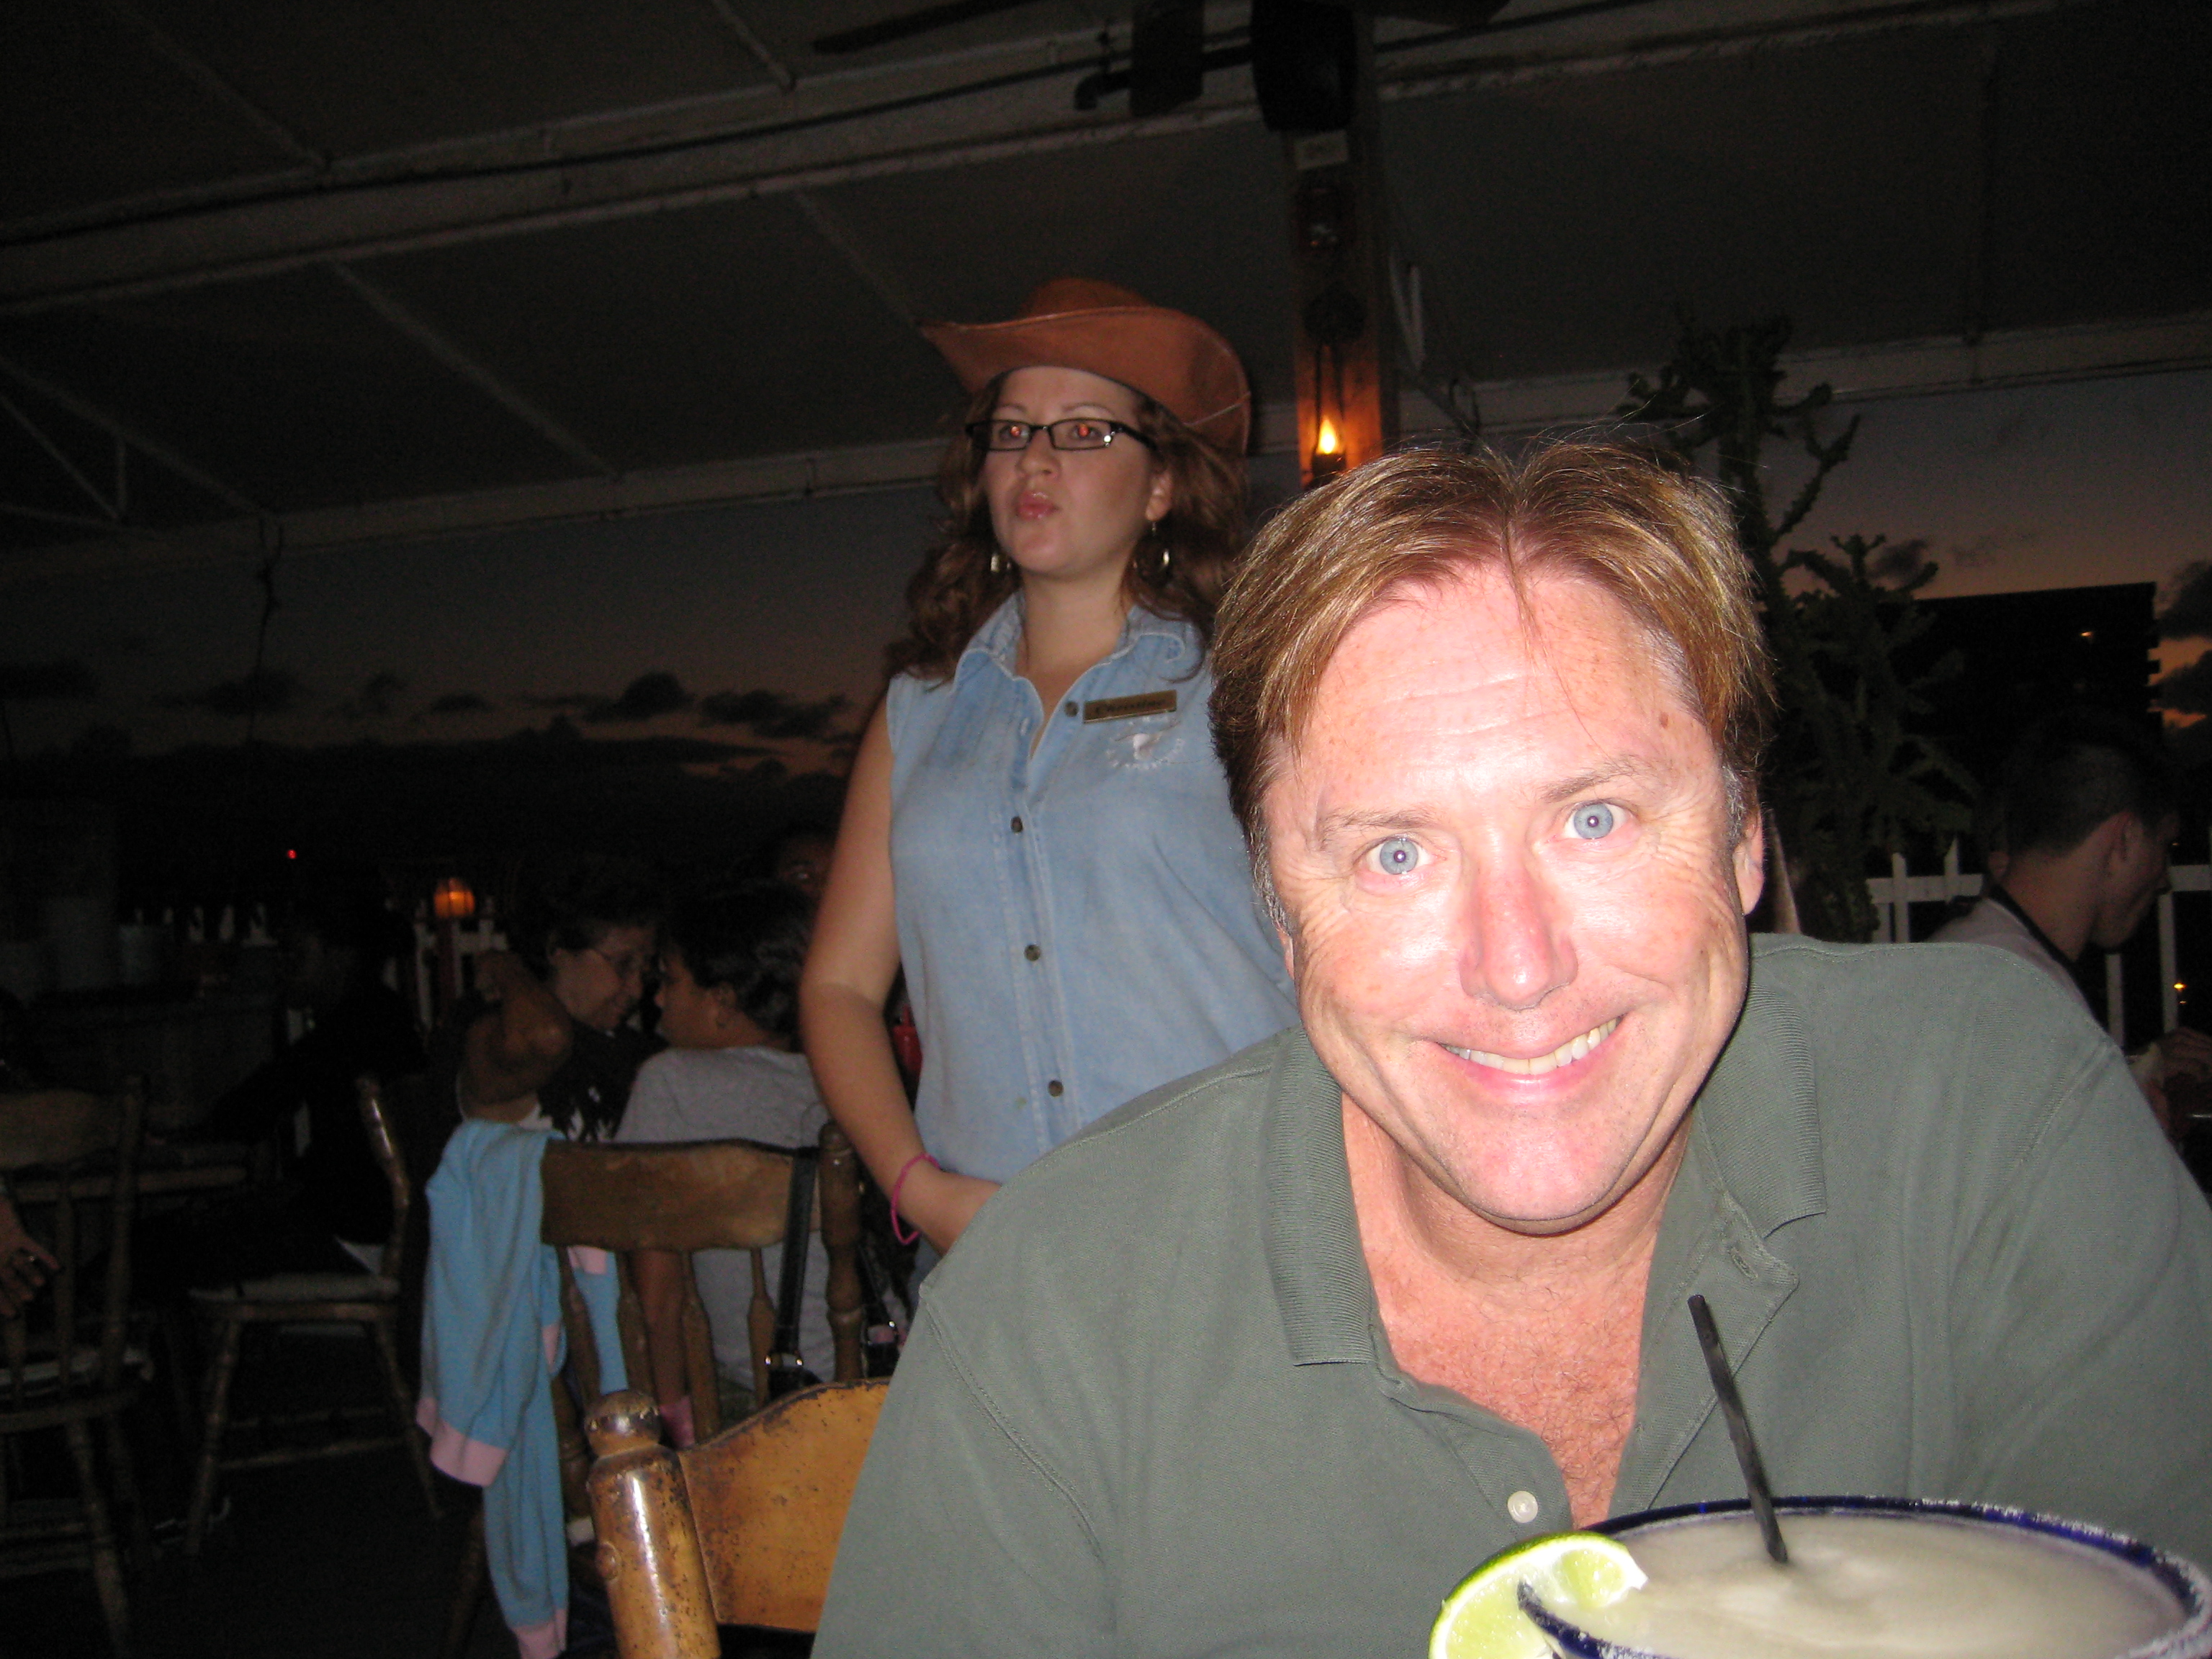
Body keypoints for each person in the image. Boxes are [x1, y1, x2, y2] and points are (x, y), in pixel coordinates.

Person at [814, 444, 2212, 1658]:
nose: (1517, 966)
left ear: (1743, 836)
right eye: (1397, 853)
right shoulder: (1055, 1305)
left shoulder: (1991, 1116)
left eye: (1594, 818)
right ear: (1279, 919)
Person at [800, 279, 1295, 1254]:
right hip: (999, 1254)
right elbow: (840, 989)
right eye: (1012, 429)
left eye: (1084, 432)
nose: (1035, 457)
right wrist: (920, 1190)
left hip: (1231, 1232)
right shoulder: (918, 714)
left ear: (1161, 487)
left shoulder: (1243, 687)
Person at [616, 881, 830, 1443]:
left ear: (723, 1001)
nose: (657, 999)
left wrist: (672, 1424)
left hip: (766, 1392)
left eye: (670, 980)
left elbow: (657, 1297)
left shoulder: (671, 1081)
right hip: (877, 1366)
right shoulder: (835, 1076)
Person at [1930, 709, 2212, 1131]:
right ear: (2124, 839)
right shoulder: (2019, 991)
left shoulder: (1979, 957)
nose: (2164, 879)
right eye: (2164, 846)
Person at [454, 855, 662, 1135]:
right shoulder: (496, 1034)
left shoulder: (627, 1050)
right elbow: (546, 1037)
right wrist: (505, 966)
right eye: (623, 964)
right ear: (557, 949)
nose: (637, 989)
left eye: (644, 968)